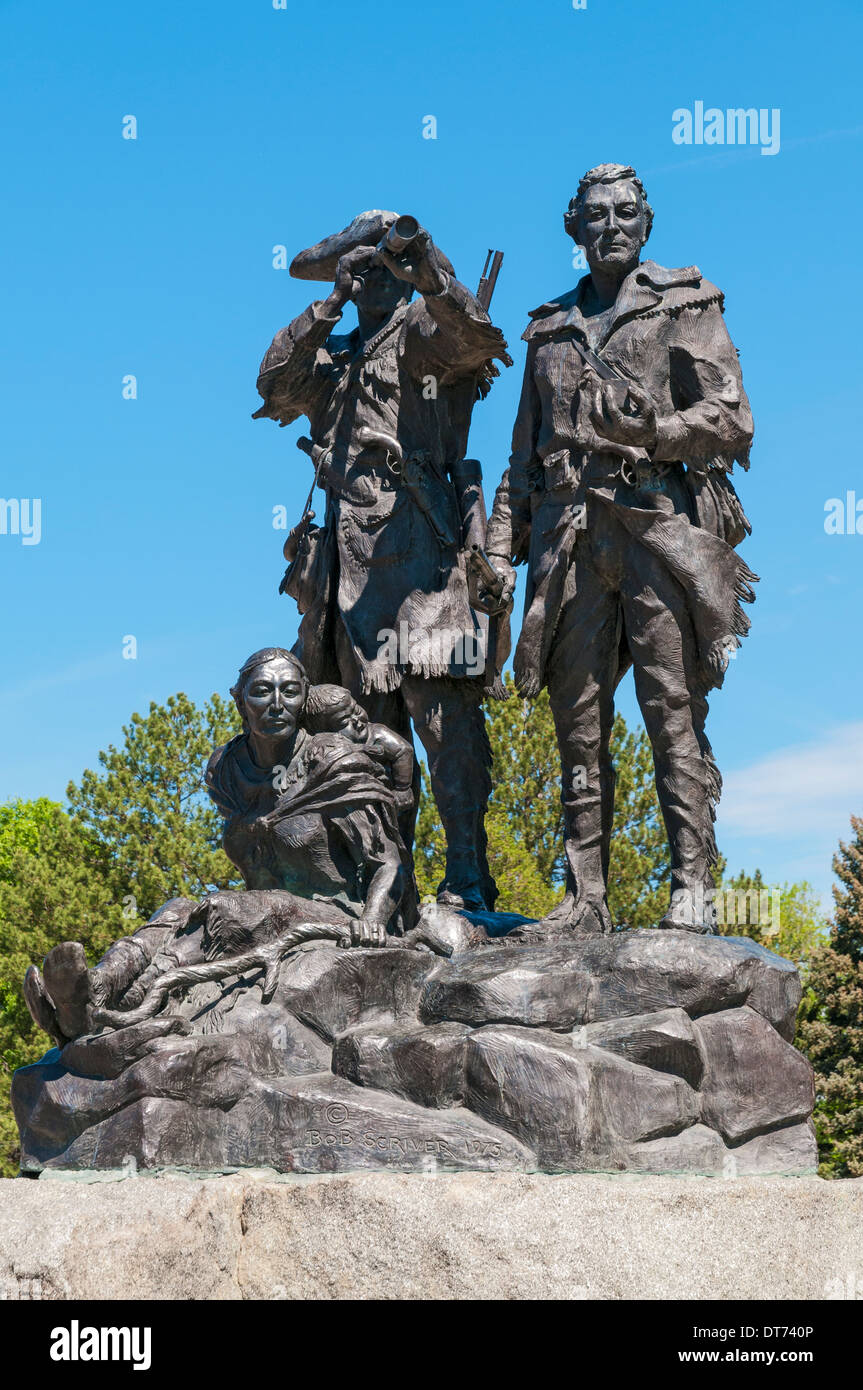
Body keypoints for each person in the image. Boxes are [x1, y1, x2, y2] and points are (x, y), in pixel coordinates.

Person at [485, 164, 755, 934]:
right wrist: (502, 551)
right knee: (577, 721)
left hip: (652, 529)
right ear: (573, 227)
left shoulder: (685, 304)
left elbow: (732, 419)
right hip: (569, 540)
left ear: (646, 222)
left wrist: (655, 434)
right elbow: (521, 460)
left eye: (626, 212)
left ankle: (693, 887)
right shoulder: (547, 330)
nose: (611, 225)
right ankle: (584, 897)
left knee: (670, 711)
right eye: (595, 214)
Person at [253, 211, 511, 911]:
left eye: (380, 266)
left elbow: (475, 338)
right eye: (356, 266)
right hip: (348, 577)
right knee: (366, 745)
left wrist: (422, 267)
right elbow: (273, 386)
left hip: (424, 562)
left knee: (444, 727)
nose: (369, 275)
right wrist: (325, 306)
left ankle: (467, 881)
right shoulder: (332, 354)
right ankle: (387, 891)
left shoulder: (426, 334)